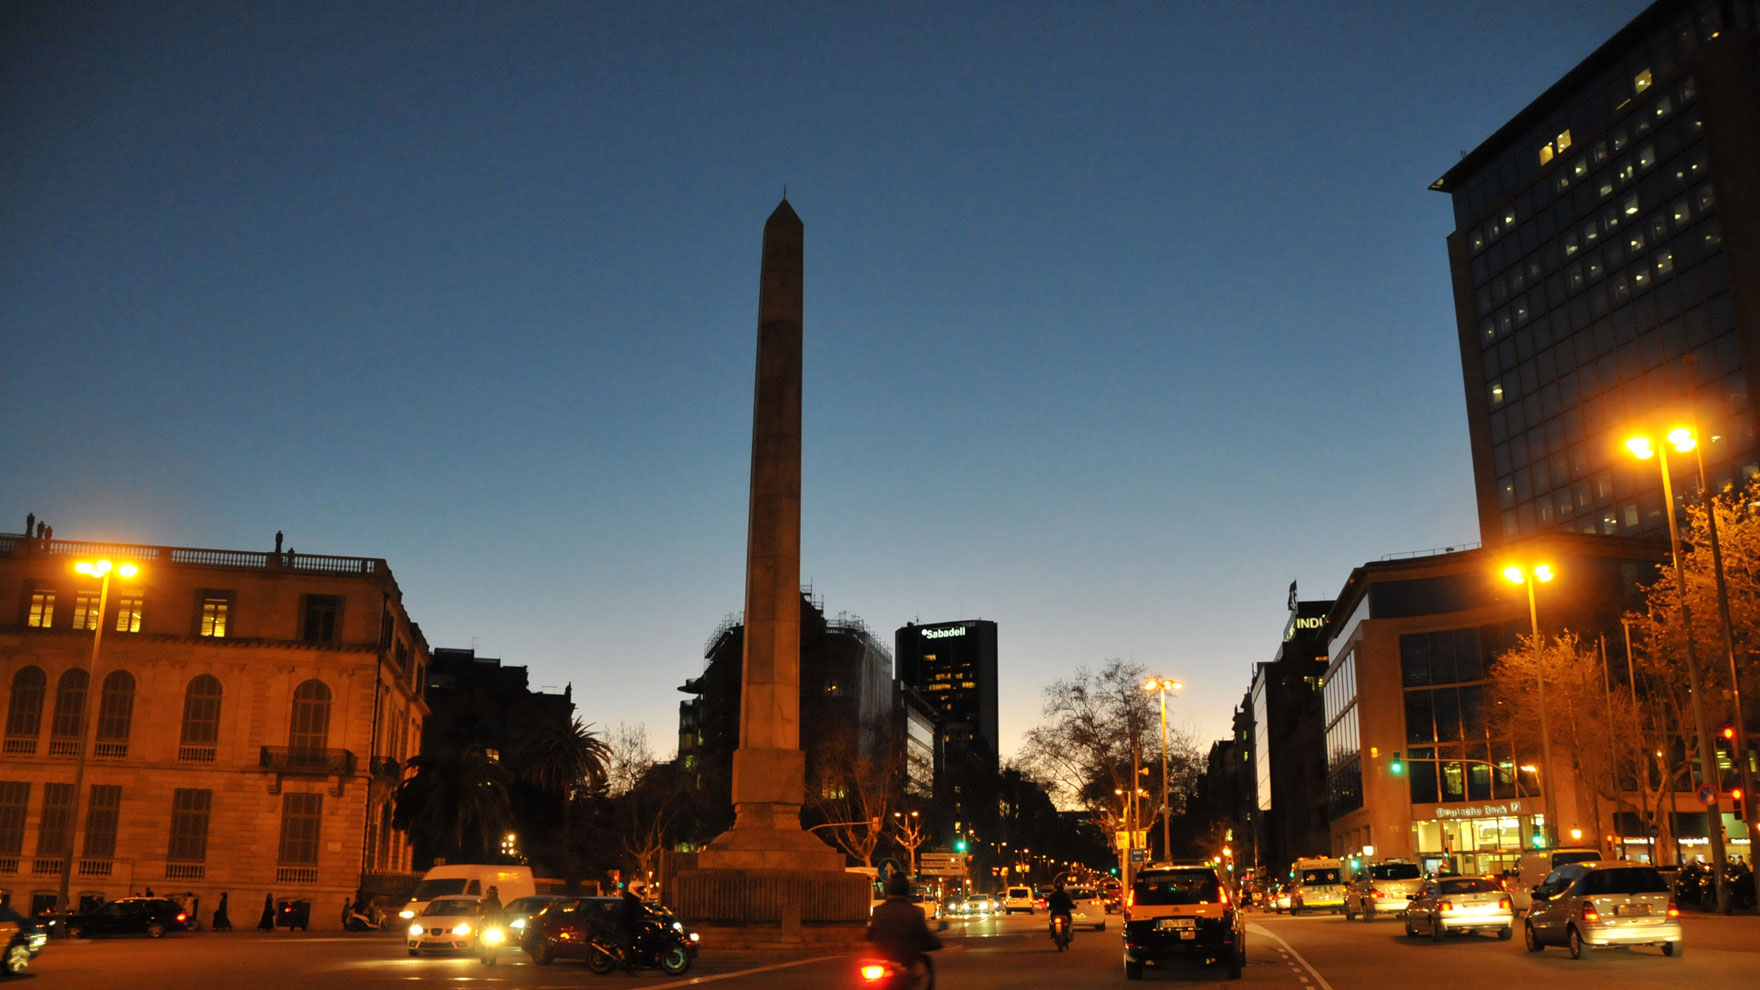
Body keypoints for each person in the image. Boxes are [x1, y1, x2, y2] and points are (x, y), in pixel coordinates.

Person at [866, 874, 942, 970]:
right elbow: (924, 935)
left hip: (882, 961)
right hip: (905, 962)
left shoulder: (878, 911)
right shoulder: (915, 912)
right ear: (907, 891)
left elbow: (871, 934)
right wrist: (937, 943)